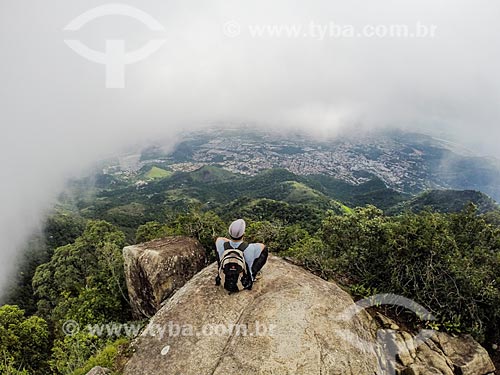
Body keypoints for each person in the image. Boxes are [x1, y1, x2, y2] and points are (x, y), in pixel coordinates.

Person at [215, 219, 268, 286]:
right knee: (265, 250)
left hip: (224, 281)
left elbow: (219, 238)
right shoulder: (250, 248)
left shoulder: (220, 243)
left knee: (218, 251)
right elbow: (263, 246)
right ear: (243, 234)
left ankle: (221, 269)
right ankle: (252, 275)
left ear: (229, 233)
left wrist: (231, 243)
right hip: (244, 283)